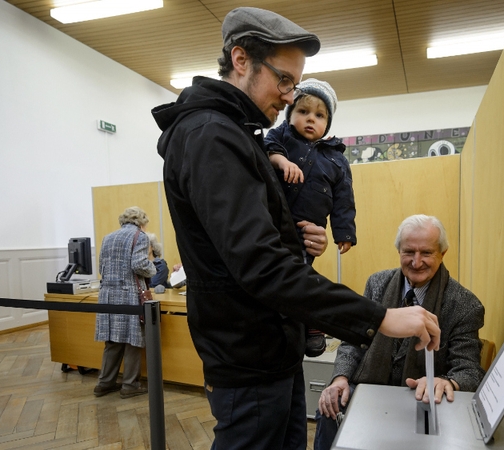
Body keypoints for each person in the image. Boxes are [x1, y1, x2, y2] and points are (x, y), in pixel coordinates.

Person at [152, 7, 440, 449]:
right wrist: (379, 317)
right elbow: (261, 266)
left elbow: (262, 244)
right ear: (241, 59)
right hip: (248, 356)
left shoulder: (240, 134)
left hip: (271, 350)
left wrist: (305, 237)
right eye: (284, 80)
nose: (290, 97)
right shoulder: (213, 136)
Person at [313, 214, 485, 450]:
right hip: (370, 391)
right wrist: (340, 378)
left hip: (422, 402)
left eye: (426, 253)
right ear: (399, 252)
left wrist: (447, 382)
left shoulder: (465, 305)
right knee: (328, 408)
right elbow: (353, 342)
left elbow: (469, 371)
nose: (416, 262)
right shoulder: (376, 283)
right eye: (408, 252)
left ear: (442, 254)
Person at [265, 78, 357, 357]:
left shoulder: (337, 159)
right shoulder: (282, 137)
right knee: (285, 274)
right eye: (302, 112)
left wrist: (345, 233)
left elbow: (344, 200)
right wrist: (281, 161)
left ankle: (310, 322)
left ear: (327, 124)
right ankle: (305, 322)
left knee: (300, 272)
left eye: (319, 115)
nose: (309, 119)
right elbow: (267, 146)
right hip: (279, 224)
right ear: (289, 114)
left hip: (310, 229)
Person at [93, 206, 156, 399]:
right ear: (141, 222)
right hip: (129, 295)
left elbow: (102, 267)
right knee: (133, 341)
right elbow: (139, 264)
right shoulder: (140, 237)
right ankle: (130, 385)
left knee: (112, 341)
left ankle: (104, 383)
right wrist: (152, 268)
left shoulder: (108, 237)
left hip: (107, 294)